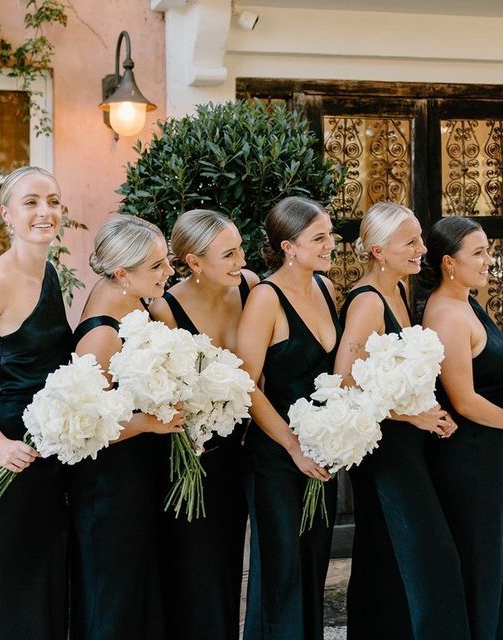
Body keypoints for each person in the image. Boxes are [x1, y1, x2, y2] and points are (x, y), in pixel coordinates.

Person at [333, 201, 471, 640]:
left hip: (407, 445)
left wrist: (429, 415)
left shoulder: (399, 292)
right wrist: (413, 416)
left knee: (386, 561)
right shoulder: (368, 303)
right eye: (409, 241)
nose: (421, 248)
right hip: (386, 454)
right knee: (431, 559)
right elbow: (344, 383)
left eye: (420, 239)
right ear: (378, 250)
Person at [67, 215, 185, 640]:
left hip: (136, 473)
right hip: (108, 487)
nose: (168, 272)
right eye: (156, 266)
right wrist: (150, 422)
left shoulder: (135, 302)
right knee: (113, 595)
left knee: (136, 590)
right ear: (122, 273)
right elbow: (82, 428)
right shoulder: (100, 336)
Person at [150, 208, 258, 640]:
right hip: (193, 456)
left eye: (241, 249)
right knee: (197, 566)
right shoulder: (167, 307)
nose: (242, 261)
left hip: (243, 449)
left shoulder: (250, 288)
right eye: (228, 254)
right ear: (194, 263)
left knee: (232, 561)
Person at [236, 196, 340, 640]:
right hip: (277, 454)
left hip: (325, 450)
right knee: (281, 568)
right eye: (319, 237)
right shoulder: (265, 298)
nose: (330, 244)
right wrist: (293, 447)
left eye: (330, 234)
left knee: (314, 560)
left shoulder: (326, 288)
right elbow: (246, 385)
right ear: (288, 246)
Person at [0, 166, 72, 639]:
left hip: (46, 451)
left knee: (42, 575)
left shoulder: (51, 273)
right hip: (6, 457)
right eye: (31, 202)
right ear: (8, 215)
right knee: (8, 578)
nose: (46, 212)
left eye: (54, 201)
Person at [422, 216, 503, 640]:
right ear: (449, 263)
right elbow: (465, 401)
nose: (489, 259)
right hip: (470, 458)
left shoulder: (467, 302)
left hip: (488, 453)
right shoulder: (447, 314)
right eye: (479, 252)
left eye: (488, 250)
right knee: (479, 559)